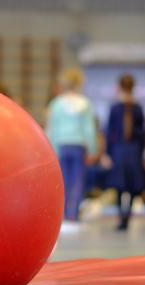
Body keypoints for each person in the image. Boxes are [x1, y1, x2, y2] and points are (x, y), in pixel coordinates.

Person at [46, 68, 97, 224]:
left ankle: (62, 216)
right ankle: (72, 215)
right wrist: (93, 149)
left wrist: (50, 151)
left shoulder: (56, 104)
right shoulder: (85, 104)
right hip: (78, 145)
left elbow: (51, 128)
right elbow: (89, 129)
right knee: (77, 181)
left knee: (63, 182)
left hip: (61, 145)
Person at [106, 74, 145, 231]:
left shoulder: (115, 108)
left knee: (119, 186)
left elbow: (110, 133)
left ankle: (121, 217)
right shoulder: (138, 109)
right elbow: (142, 134)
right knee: (130, 186)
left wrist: (108, 153)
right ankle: (126, 216)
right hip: (133, 150)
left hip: (119, 150)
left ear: (119, 87)